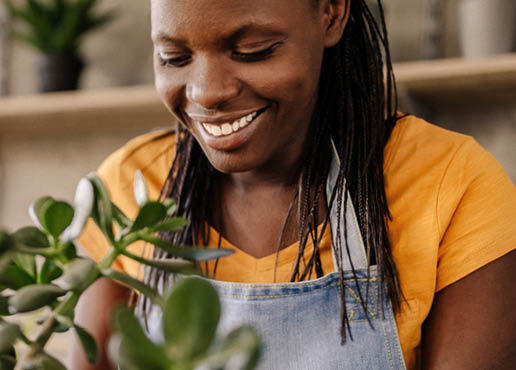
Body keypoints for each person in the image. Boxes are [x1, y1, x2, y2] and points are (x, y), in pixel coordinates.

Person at [72, 0, 516, 369]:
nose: (207, 93)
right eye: (174, 57)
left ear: (330, 13)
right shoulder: (129, 186)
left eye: (253, 50)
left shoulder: (452, 182)